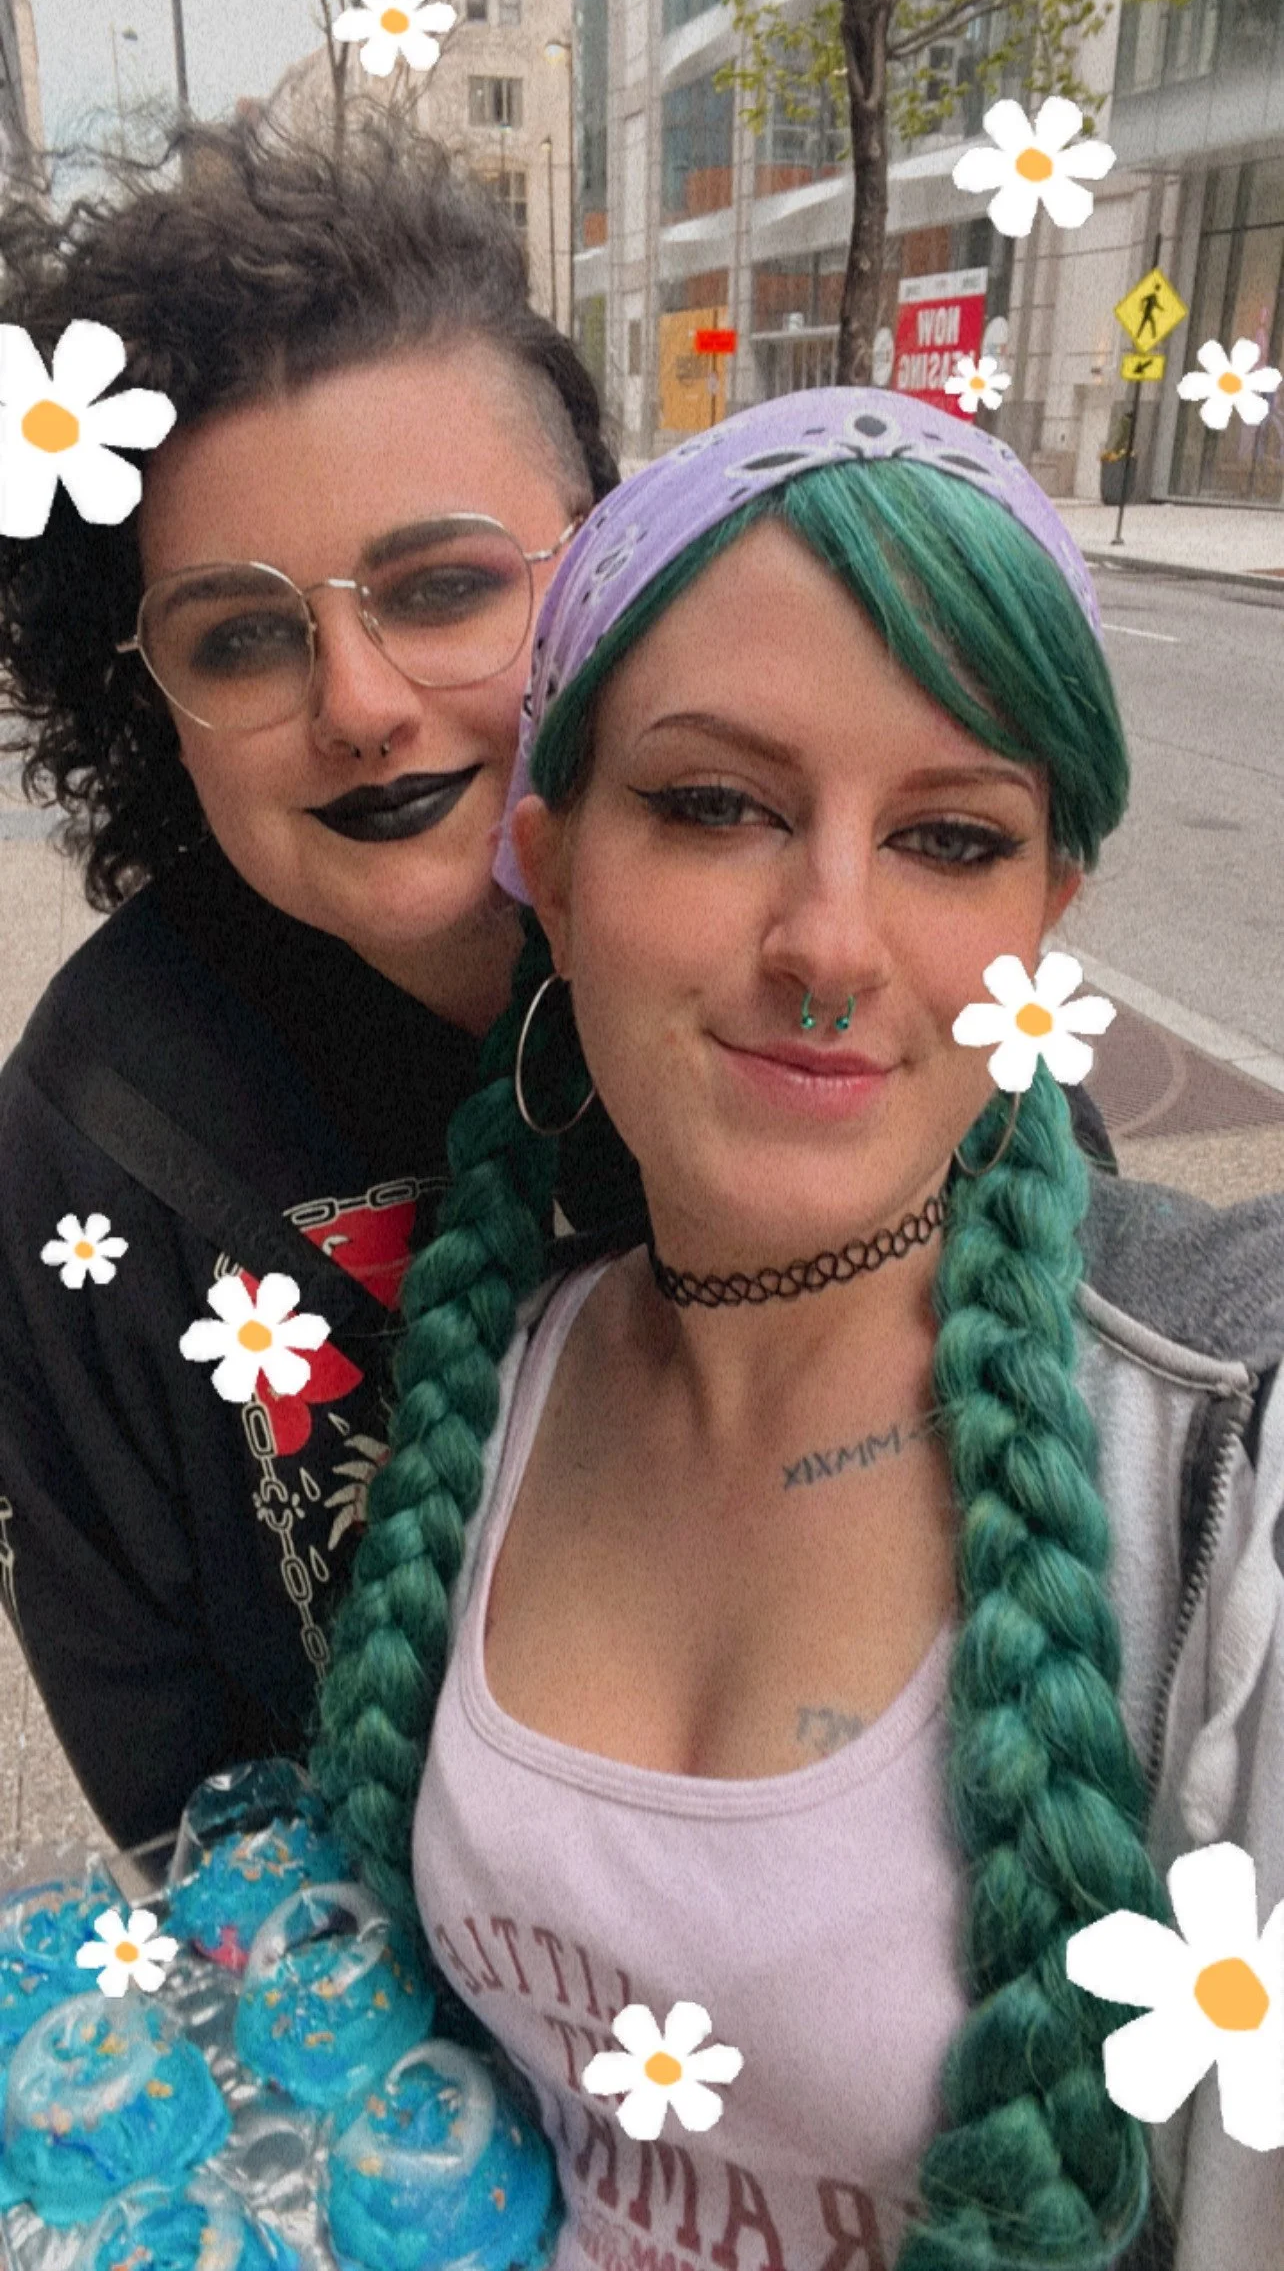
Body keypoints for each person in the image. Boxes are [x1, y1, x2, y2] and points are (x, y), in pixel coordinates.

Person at [312, 392, 1284, 2271]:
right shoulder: (498, 1378)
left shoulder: (1220, 1479)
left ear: (1044, 920)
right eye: (717, 803)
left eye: (947, 836)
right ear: (556, 863)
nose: (831, 939)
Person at [0, 109, 639, 1855]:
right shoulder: (100, 1138)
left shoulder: (820, 952)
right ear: (145, 697)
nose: (355, 700)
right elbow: (181, 1796)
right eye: (244, 633)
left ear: (604, 558)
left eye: (440, 587)